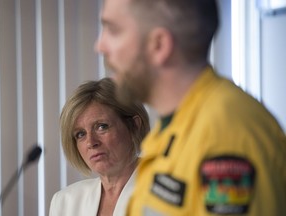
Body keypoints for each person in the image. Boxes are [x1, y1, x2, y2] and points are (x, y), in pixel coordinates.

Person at [95, 0, 286, 215]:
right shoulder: (174, 127)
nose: (100, 46)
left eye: (113, 30)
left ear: (159, 45)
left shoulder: (225, 130)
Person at [49, 78, 150, 216]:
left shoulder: (167, 194)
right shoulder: (65, 202)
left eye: (102, 126)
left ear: (134, 126)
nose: (91, 142)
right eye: (80, 134)